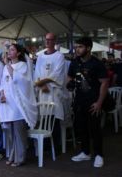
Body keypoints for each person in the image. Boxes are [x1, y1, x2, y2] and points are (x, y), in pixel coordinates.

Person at [67, 37, 109, 168]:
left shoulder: (97, 63)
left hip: (93, 101)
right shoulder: (75, 62)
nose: (77, 49)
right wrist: (70, 83)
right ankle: (85, 152)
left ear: (88, 48)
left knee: (95, 129)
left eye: (80, 46)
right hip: (79, 101)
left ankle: (98, 155)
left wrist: (99, 103)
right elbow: (69, 77)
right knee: (81, 128)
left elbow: (104, 83)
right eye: (76, 46)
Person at [0, 44, 38, 167]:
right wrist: (2, 94)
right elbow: (3, 82)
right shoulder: (6, 67)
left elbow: (19, 80)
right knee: (10, 134)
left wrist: (7, 64)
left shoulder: (22, 65)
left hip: (18, 105)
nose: (9, 52)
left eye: (12, 50)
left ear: (19, 53)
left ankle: (20, 158)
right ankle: (12, 155)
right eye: (8, 50)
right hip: (7, 103)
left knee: (19, 133)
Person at [34, 33, 65, 153]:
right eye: (46, 39)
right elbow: (36, 73)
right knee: (44, 118)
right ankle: (46, 146)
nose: (47, 42)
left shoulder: (59, 56)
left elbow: (58, 74)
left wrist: (44, 83)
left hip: (53, 91)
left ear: (54, 41)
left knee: (54, 119)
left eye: (50, 40)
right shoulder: (40, 56)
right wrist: (41, 85)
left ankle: (56, 147)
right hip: (43, 92)